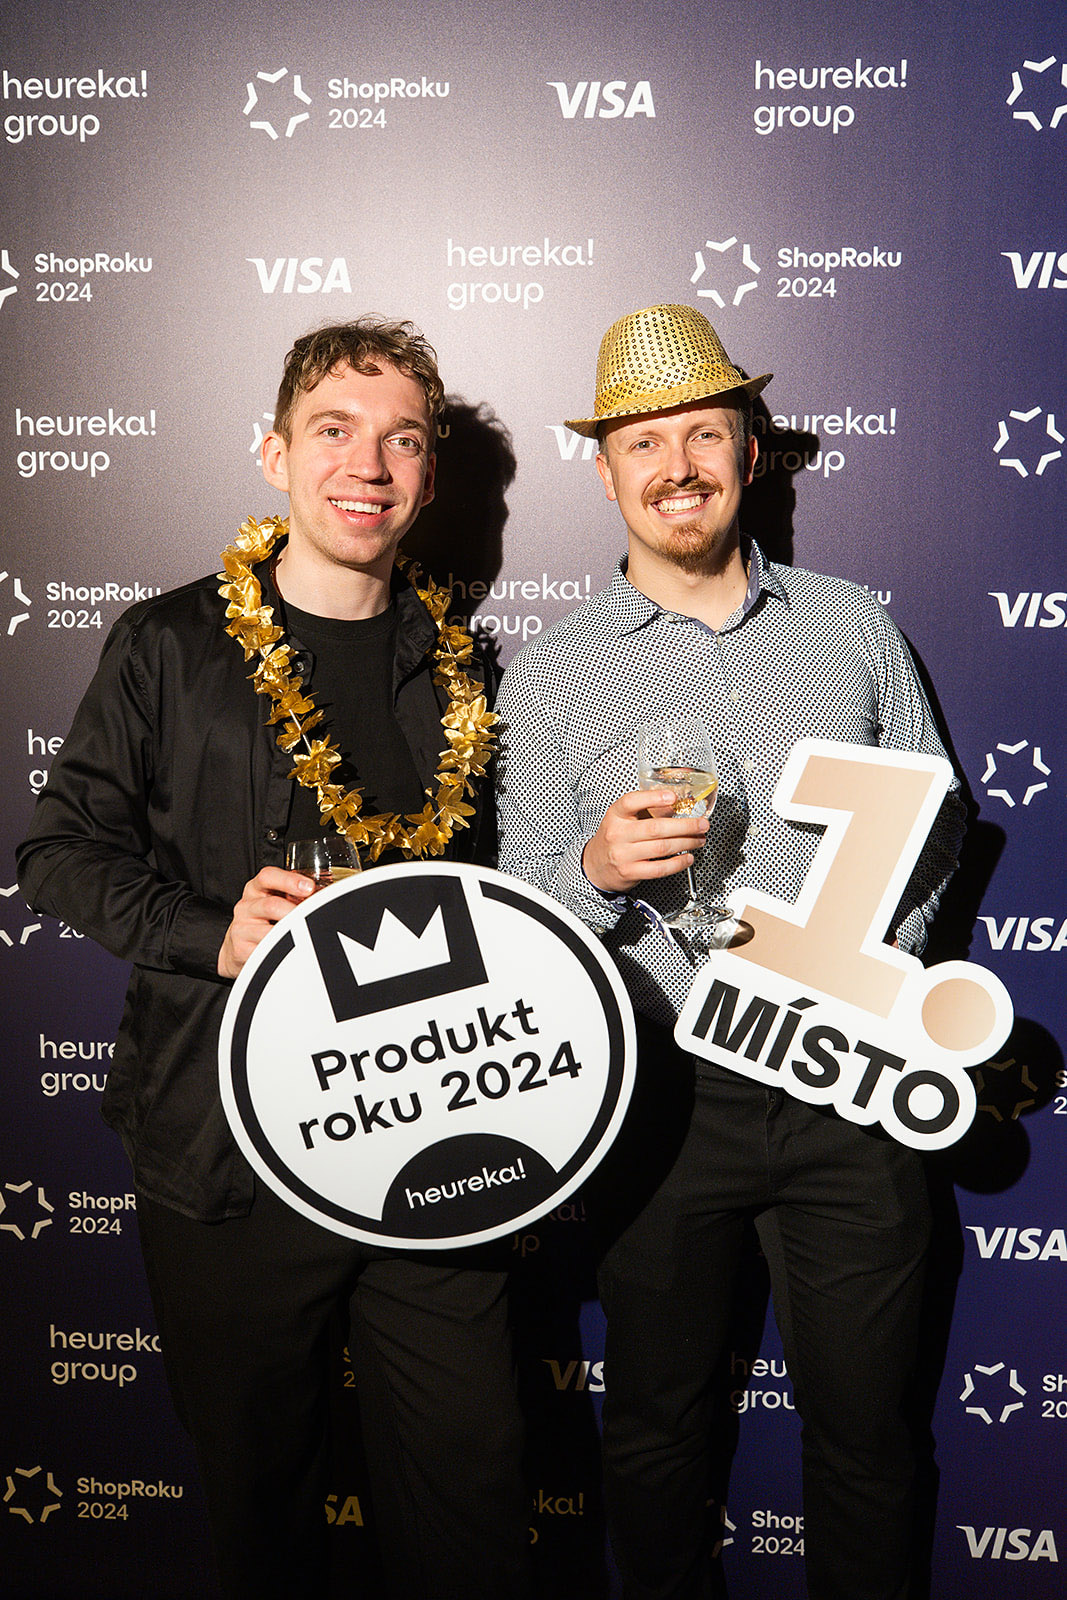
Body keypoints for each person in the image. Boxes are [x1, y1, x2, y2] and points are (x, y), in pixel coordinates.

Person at [18, 319, 532, 1600]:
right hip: (224, 1156)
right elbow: (58, 850)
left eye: (401, 440)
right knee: (262, 1510)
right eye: (334, 431)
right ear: (274, 453)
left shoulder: (460, 665)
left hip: (422, 1133)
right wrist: (213, 929)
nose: (369, 464)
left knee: (472, 1493)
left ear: (428, 475)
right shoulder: (168, 643)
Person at [494, 303, 965, 1600]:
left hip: (847, 1085)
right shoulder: (549, 676)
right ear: (605, 472)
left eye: (703, 434)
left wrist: (858, 975)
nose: (677, 467)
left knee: (868, 1437)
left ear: (748, 453)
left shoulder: (851, 626)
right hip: (659, 1100)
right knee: (655, 1433)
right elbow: (520, 905)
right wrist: (594, 869)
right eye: (643, 443)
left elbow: (931, 824)